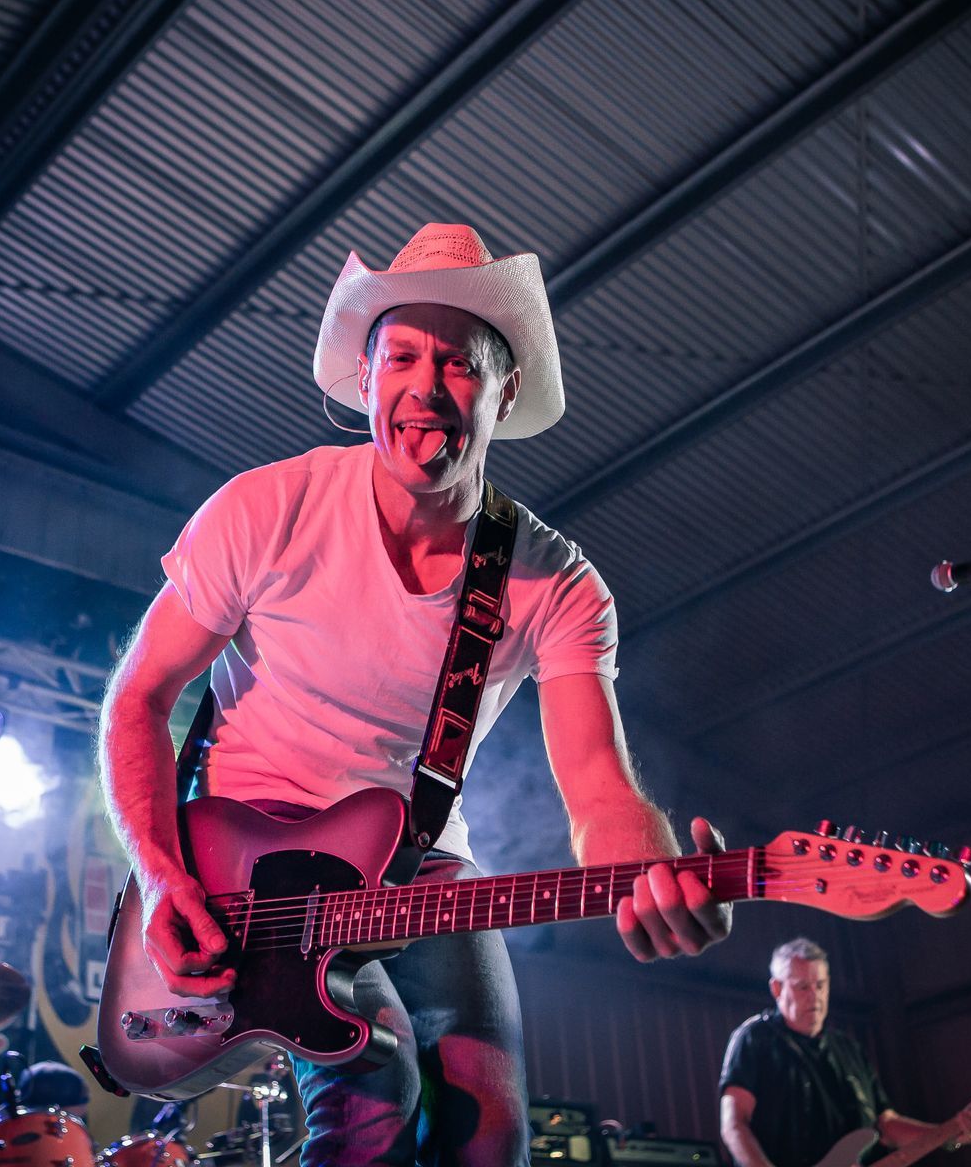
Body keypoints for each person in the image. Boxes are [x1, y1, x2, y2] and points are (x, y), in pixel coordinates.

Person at [99, 222, 731, 1165]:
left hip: (416, 859)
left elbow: (598, 785)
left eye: (462, 364)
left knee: (493, 1130)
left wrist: (652, 872)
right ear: (366, 376)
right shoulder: (264, 509)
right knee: (373, 1103)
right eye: (402, 355)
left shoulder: (555, 583)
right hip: (244, 860)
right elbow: (138, 698)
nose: (426, 390)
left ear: (506, 392)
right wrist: (162, 876)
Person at [719, 938, 971, 1167]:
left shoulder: (847, 1048)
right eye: (802, 986)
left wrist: (951, 1132)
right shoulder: (754, 1039)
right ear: (777, 988)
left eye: (821, 985)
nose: (814, 996)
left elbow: (886, 1125)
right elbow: (733, 1125)